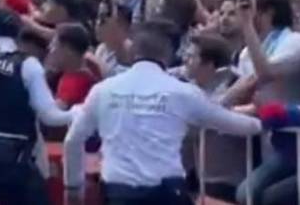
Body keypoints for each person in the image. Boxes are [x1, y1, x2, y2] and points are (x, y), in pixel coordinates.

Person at [64, 21, 262, 205]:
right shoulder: (183, 92)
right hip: (167, 191)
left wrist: (73, 186)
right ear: (168, 54)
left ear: (133, 51)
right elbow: (231, 122)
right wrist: (267, 118)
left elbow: (73, 139)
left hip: (118, 191)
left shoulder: (103, 90)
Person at [0, 9, 73, 205]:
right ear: (17, 32)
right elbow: (50, 116)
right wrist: (79, 111)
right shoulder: (28, 64)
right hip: (14, 162)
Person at [230, 0, 300, 204]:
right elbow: (248, 94)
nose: (243, 13)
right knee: (246, 194)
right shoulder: (245, 53)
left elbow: (265, 74)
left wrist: (247, 25)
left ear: (269, 12)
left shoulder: (294, 42)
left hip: (294, 139)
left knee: (269, 198)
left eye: (249, 8)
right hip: (275, 144)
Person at [183, 33, 245, 203]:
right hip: (197, 178)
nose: (185, 61)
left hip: (228, 181)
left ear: (209, 65)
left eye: (191, 57)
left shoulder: (235, 85)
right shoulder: (190, 88)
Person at [48, 22, 99, 109]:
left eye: (54, 45)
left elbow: (53, 113)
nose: (50, 50)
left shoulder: (76, 83)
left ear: (68, 50)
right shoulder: (87, 69)